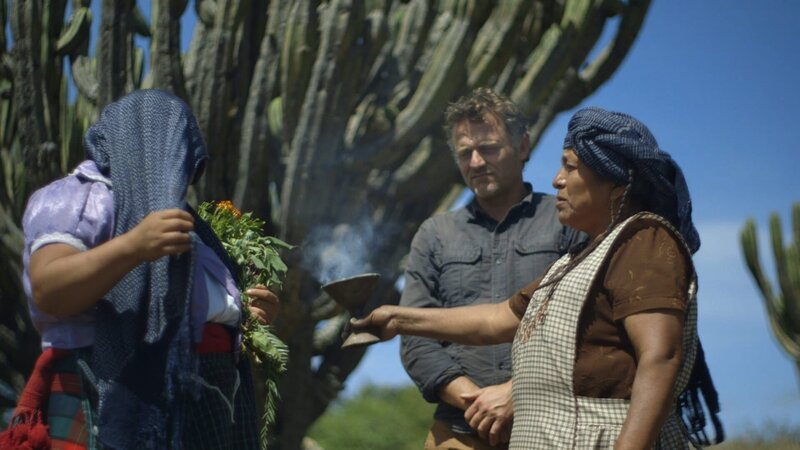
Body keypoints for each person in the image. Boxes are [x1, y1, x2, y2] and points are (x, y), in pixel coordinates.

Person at [354, 107, 705, 449]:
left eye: (570, 167)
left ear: (614, 183)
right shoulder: (576, 260)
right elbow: (497, 319)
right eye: (465, 152)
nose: (557, 179)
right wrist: (397, 317)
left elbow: (661, 356)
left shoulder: (643, 241)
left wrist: (513, 393)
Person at [4, 90, 279, 450]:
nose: (177, 166)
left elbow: (194, 305)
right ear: (138, 142)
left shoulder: (191, 223)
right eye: (171, 149)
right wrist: (134, 246)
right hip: (108, 388)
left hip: (204, 399)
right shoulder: (83, 198)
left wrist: (244, 314)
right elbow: (49, 289)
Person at [398, 88, 582, 449]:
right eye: (465, 153)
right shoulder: (434, 235)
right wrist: (476, 401)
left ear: (524, 147)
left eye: (490, 148)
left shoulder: (568, 220)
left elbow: (588, 321)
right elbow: (414, 335)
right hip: (459, 431)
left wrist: (517, 392)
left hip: (553, 429)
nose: (477, 162)